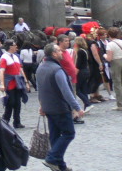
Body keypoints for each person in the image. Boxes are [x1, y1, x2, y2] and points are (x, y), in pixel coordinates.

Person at [37, 43, 84, 171]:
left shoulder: (41, 67)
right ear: (53, 54)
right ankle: (52, 158)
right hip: (60, 108)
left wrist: (41, 105)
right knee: (69, 133)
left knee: (55, 136)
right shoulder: (57, 70)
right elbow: (66, 91)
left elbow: (40, 89)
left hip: (48, 107)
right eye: (58, 50)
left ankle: (60, 165)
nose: (61, 52)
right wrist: (77, 107)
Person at [0, 41, 26, 129]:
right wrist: (2, 84)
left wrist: (25, 80)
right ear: (10, 47)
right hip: (9, 83)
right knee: (10, 103)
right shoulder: (4, 57)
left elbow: (20, 70)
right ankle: (5, 120)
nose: (16, 47)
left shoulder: (15, 56)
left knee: (18, 103)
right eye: (14, 45)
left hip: (17, 83)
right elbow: (1, 71)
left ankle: (17, 122)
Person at [105, 27, 122, 112]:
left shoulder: (110, 44)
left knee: (117, 83)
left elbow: (109, 58)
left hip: (115, 63)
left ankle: (120, 104)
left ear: (109, 35)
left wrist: (104, 56)